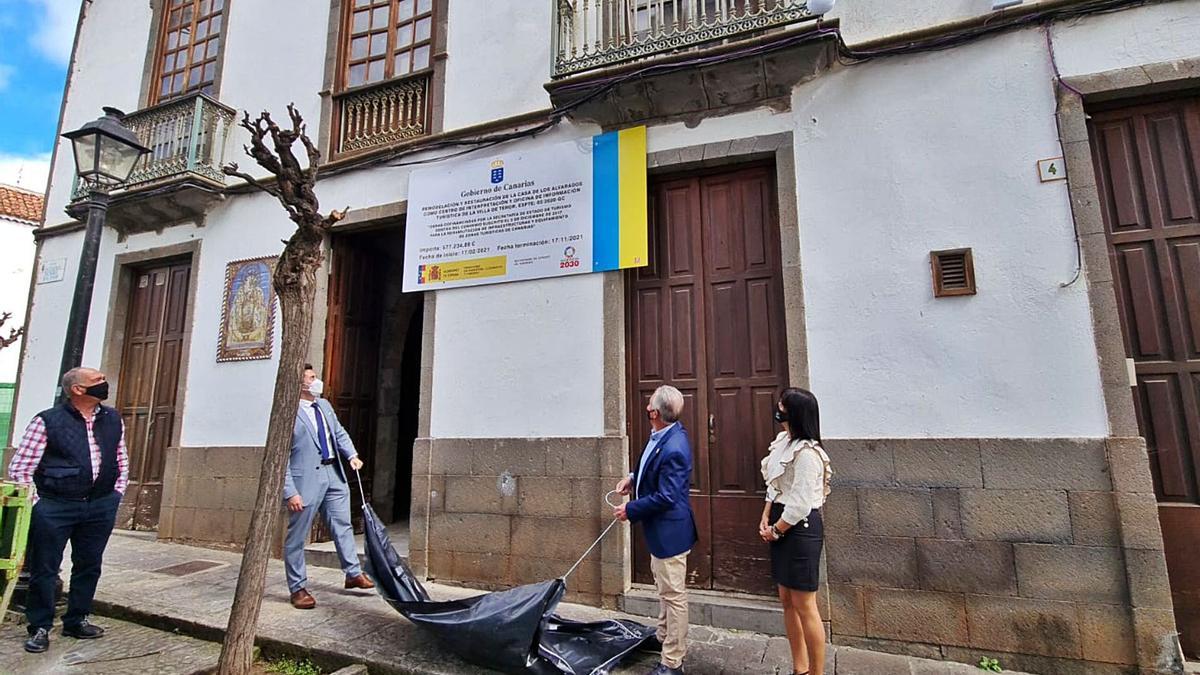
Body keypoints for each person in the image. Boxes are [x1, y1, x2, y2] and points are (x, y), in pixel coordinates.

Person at [7, 367, 129, 653]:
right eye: (97, 381)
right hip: (56, 506)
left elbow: (121, 458)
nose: (104, 383)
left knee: (89, 564)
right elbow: (21, 469)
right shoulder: (47, 421)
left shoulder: (112, 419)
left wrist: (116, 493)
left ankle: (77, 619)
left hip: (100, 505)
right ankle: (40, 626)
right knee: (44, 569)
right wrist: (40, 505)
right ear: (77, 390)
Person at [614, 385, 698, 675]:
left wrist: (631, 509)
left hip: (670, 533)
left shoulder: (675, 446)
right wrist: (632, 478)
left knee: (674, 596)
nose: (647, 407)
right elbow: (650, 465)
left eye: (649, 404)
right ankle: (663, 636)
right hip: (660, 531)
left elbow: (667, 496)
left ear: (653, 413)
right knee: (664, 590)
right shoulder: (663, 434)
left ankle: (673, 660)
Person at [283, 364, 374, 609]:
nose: (316, 381)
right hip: (305, 482)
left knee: (342, 525)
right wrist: (290, 491)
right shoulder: (288, 413)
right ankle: (298, 587)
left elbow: (338, 432)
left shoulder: (324, 405)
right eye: (311, 378)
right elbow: (279, 458)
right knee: (297, 536)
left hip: (333, 472)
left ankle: (353, 573)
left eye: (315, 376)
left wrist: (351, 455)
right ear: (299, 384)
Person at [759, 387, 832, 675]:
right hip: (779, 519)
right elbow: (774, 484)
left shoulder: (808, 454)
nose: (777, 408)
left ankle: (816, 672)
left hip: (799, 529)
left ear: (796, 413)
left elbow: (800, 503)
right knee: (786, 599)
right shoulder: (783, 443)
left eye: (782, 405)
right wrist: (766, 515)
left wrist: (776, 531)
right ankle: (799, 668)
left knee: (805, 603)